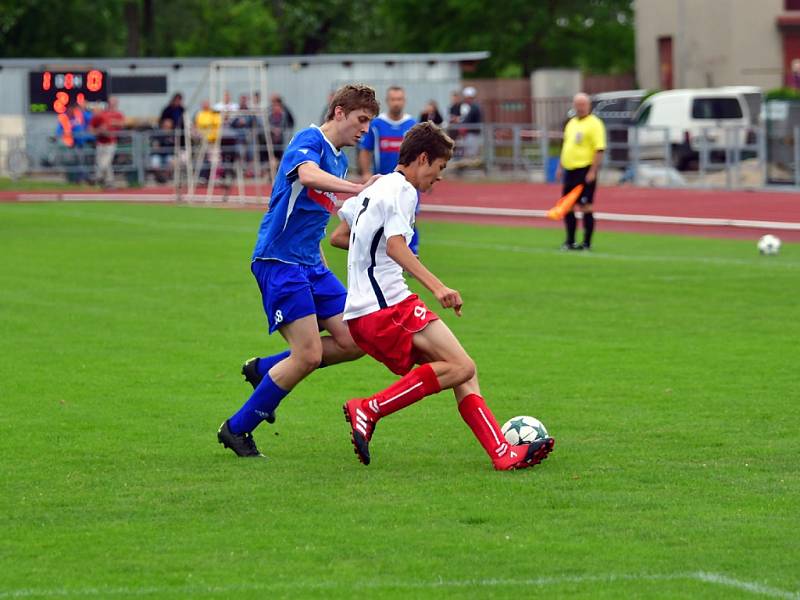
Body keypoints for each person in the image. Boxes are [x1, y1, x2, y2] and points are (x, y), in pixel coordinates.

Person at [330, 122, 555, 470]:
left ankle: (502, 453)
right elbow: (394, 246)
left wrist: (379, 255)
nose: (438, 178)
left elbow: (341, 236)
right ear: (423, 159)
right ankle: (370, 408)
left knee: (465, 369)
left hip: (364, 313)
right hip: (388, 308)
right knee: (460, 366)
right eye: (439, 168)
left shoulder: (375, 187)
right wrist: (438, 286)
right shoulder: (404, 190)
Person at [217, 84, 382, 458]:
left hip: (311, 263)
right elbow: (307, 176)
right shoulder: (308, 139)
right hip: (280, 261)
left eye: (369, 122)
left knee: (356, 339)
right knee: (306, 356)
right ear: (339, 112)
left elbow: (311, 215)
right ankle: (236, 428)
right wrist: (358, 189)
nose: (365, 129)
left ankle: (264, 370)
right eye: (361, 120)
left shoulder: (338, 159)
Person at [357, 86, 421, 254]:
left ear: (404, 101)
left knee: (408, 216)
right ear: (387, 101)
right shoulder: (377, 124)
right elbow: (366, 149)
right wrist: (366, 172)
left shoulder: (412, 124)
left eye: (399, 99)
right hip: (383, 180)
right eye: (393, 99)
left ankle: (411, 252)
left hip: (408, 182)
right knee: (382, 218)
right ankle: (383, 251)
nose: (396, 103)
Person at [556, 92, 606, 251]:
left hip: (584, 170)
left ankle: (586, 243)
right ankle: (570, 241)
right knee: (567, 206)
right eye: (578, 104)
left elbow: (599, 149)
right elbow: (566, 146)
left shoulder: (594, 123)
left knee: (586, 206)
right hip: (569, 170)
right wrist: (560, 166)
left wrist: (592, 171)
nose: (580, 108)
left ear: (589, 105)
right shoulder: (571, 123)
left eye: (583, 104)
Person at [89, 97, 125, 188]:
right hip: (100, 142)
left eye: (114, 102)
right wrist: (99, 130)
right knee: (102, 163)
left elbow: (122, 124)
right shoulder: (102, 114)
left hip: (111, 142)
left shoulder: (118, 114)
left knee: (105, 163)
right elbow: (91, 128)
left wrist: (112, 123)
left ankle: (98, 177)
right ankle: (110, 182)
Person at [459, 86, 483, 159]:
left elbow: (468, 119)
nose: (466, 100)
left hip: (473, 133)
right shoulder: (475, 106)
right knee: (471, 151)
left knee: (471, 152)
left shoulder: (474, 107)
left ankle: (472, 167)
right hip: (473, 132)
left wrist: (461, 123)